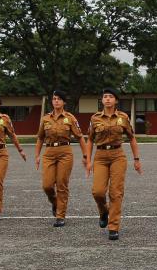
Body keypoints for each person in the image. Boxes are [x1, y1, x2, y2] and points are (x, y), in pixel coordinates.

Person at [85, 88, 141, 239]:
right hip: (100, 156)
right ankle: (104, 211)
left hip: (118, 155)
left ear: (116, 100)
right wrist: (88, 160)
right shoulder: (95, 118)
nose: (108, 99)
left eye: (111, 97)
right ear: (102, 100)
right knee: (97, 191)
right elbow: (89, 139)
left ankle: (113, 226)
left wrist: (136, 159)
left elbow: (132, 138)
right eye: (105, 97)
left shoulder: (123, 117)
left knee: (116, 192)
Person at [35, 90, 87, 227]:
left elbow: (80, 138)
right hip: (49, 152)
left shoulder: (70, 118)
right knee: (47, 185)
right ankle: (55, 202)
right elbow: (40, 138)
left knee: (62, 184)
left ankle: (60, 215)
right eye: (54, 99)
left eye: (59, 99)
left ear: (64, 102)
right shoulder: (45, 118)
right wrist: (37, 155)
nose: (56, 101)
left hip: (65, 152)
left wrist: (85, 155)